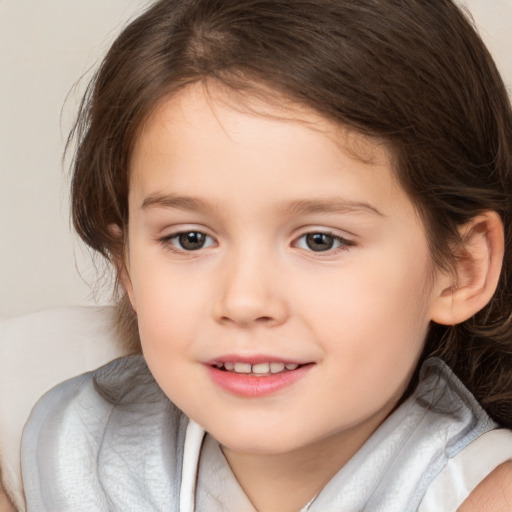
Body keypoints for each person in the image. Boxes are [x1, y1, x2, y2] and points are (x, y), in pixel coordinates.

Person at [20, 0, 512, 510]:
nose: (245, 300)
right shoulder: (70, 440)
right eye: (190, 239)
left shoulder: (479, 494)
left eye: (320, 240)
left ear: (460, 269)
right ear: (126, 265)